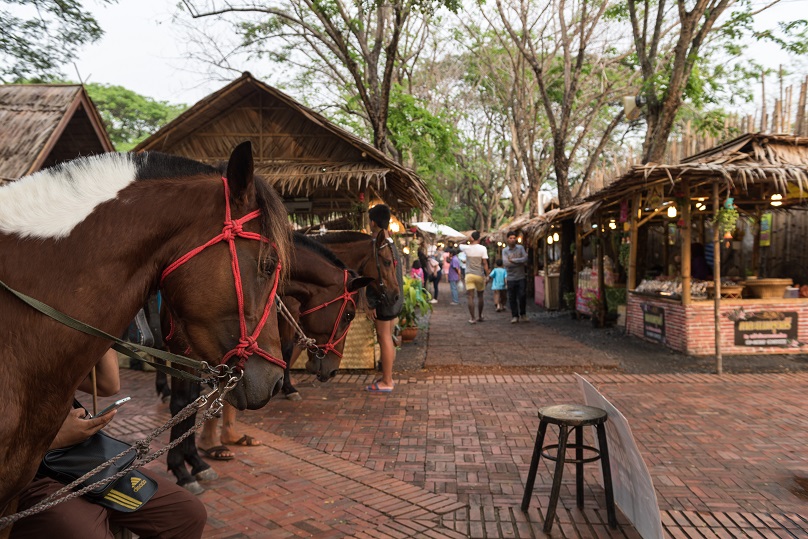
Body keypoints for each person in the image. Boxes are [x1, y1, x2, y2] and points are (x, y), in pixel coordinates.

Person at [12, 349, 207, 538]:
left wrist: (104, 321)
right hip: (24, 472)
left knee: (186, 514)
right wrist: (54, 439)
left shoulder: (42, 337)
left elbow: (108, 384)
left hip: (80, 456)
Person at [365, 204, 402, 393]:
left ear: (372, 221)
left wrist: (370, 302)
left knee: (384, 337)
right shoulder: (391, 242)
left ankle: (387, 381)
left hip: (384, 299)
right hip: (394, 298)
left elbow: (375, 276)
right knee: (388, 336)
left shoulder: (378, 243)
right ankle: (387, 375)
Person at [459, 231, 489, 324]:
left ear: (471, 238)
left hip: (469, 275)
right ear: (479, 239)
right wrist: (487, 275)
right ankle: (480, 316)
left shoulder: (466, 248)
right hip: (479, 275)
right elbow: (484, 263)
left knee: (470, 297)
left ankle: (472, 318)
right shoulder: (483, 248)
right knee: (480, 296)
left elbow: (460, 244)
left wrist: (467, 239)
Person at [502, 231, 529, 323]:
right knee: (512, 297)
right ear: (507, 239)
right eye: (511, 238)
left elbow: (525, 258)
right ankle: (515, 315)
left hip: (521, 277)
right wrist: (519, 262)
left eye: (514, 238)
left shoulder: (520, 248)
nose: (512, 240)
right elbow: (506, 263)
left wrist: (513, 260)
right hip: (510, 278)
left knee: (522, 295)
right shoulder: (505, 251)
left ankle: (523, 314)